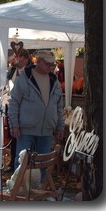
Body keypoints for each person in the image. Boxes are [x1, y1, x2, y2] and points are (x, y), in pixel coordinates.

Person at [8, 50, 64, 178]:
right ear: (38, 62)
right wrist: (14, 125)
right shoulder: (25, 77)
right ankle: (18, 189)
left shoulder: (54, 80)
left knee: (43, 163)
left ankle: (39, 190)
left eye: (52, 64)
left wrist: (60, 126)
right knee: (22, 162)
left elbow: (59, 105)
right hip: (26, 128)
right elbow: (14, 102)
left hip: (47, 129)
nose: (50, 67)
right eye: (47, 64)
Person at [5, 48, 33, 172]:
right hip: (12, 106)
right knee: (13, 137)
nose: (16, 59)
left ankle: (26, 164)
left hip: (25, 109)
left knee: (25, 138)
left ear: (25, 59)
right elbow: (7, 82)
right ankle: (13, 164)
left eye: (19, 57)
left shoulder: (31, 71)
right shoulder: (13, 69)